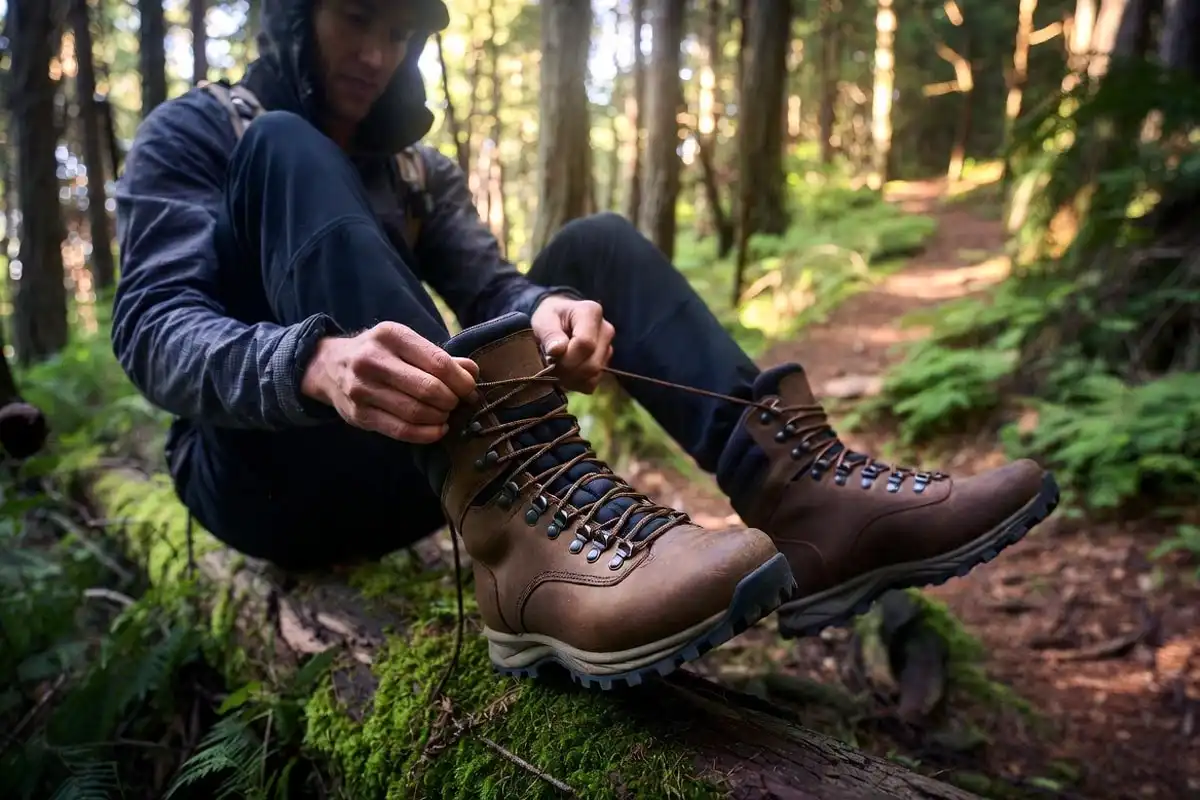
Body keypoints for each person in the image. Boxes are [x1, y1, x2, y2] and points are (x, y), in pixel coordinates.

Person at [113, 0, 1059, 689]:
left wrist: (551, 312)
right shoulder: (204, 132)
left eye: (400, 33)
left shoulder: (415, 168)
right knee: (284, 146)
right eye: (357, 19)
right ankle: (525, 556)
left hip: (411, 467)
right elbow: (152, 326)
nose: (376, 54)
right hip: (258, 476)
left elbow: (490, 289)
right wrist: (310, 363)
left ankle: (804, 502)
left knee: (590, 249)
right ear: (291, 17)